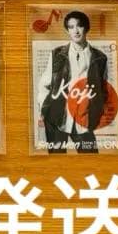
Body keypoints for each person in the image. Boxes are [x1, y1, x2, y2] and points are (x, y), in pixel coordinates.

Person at [38, 10, 109, 153]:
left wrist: (96, 112)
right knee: (56, 160)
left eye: (79, 26)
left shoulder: (100, 58)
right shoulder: (57, 54)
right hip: (57, 118)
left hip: (83, 119)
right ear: (67, 30)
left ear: (86, 28)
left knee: (91, 158)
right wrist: (44, 109)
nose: (76, 31)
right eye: (71, 27)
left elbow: (102, 89)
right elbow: (44, 85)